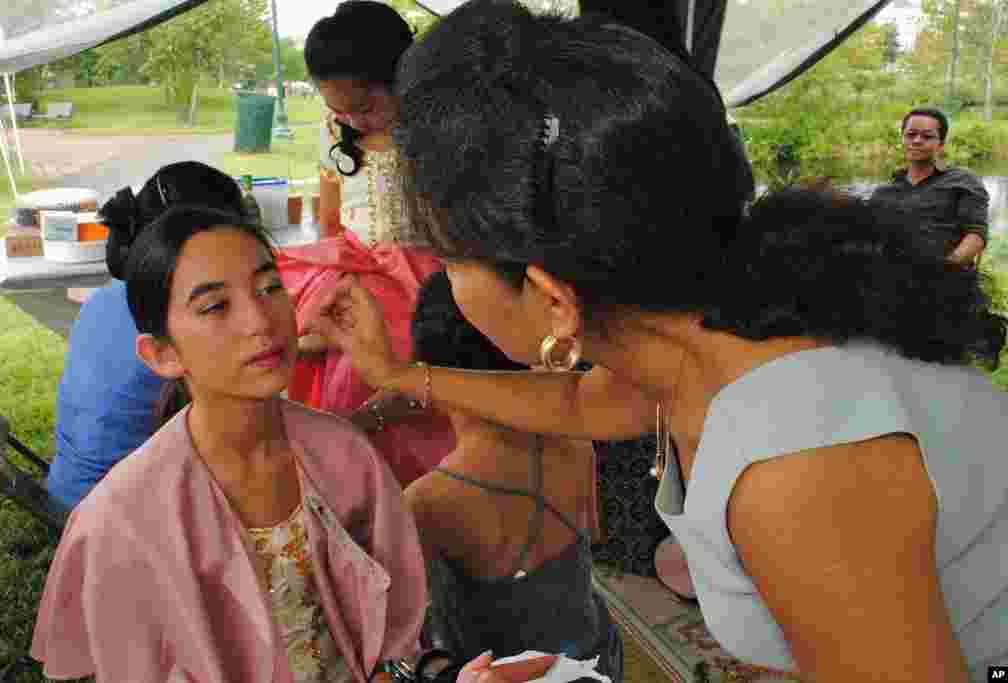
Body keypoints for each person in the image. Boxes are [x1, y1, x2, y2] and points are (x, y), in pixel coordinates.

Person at [306, 2, 1008, 681]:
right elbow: (584, 402)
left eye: (449, 265)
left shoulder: (793, 464)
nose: (442, 282)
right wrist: (398, 374)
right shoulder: (716, 335)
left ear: (552, 298)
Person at [31, 206, 428, 683]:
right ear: (162, 354)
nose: (260, 320)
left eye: (269, 287)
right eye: (216, 306)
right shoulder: (121, 521)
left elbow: (393, 628)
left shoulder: (344, 455)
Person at [404, 271, 622, 682]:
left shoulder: (429, 501)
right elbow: (594, 536)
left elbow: (402, 631)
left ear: (425, 373)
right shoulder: (578, 441)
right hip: (595, 658)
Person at [278, 0, 454, 486]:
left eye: (366, 107)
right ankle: (357, 483)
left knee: (412, 374)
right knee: (337, 366)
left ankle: (425, 489)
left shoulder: (433, 132)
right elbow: (330, 220)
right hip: (356, 272)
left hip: (425, 277)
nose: (352, 121)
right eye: (338, 111)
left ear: (404, 79)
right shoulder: (336, 133)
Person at [21, 162, 244, 515]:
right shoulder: (182, 318)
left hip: (71, 493)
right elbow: (240, 434)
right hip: (118, 517)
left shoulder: (105, 298)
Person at [869, 107, 990, 266]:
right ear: (903, 139)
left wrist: (948, 267)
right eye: (911, 135)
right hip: (892, 280)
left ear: (941, 144)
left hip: (949, 280)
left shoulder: (963, 181)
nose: (917, 140)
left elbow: (976, 235)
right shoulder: (883, 193)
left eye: (927, 136)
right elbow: (870, 239)